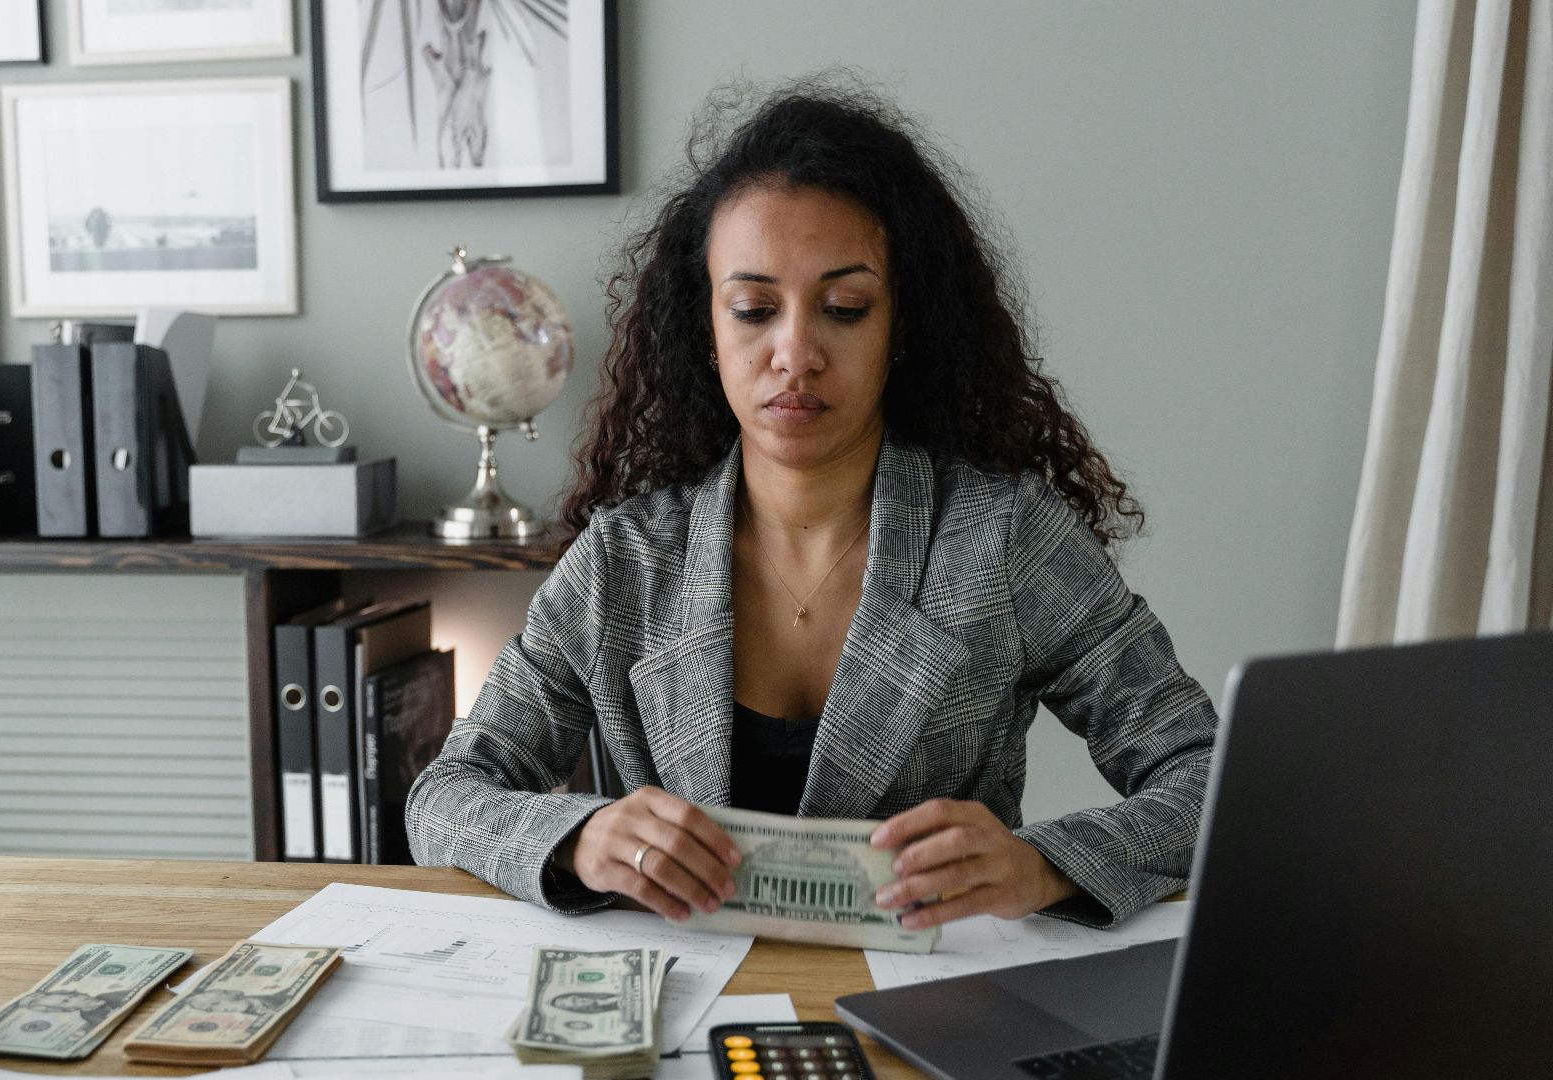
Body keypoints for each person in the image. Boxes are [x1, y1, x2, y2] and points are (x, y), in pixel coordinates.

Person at [405, 80, 1219, 932]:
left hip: (930, 1013)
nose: (794, 353)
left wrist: (1043, 865)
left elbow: (1207, 773)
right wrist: (582, 836)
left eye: (844, 308)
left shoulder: (1004, 538)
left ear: (901, 325)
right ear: (707, 330)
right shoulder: (624, 561)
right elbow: (445, 797)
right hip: (684, 1012)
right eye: (754, 310)